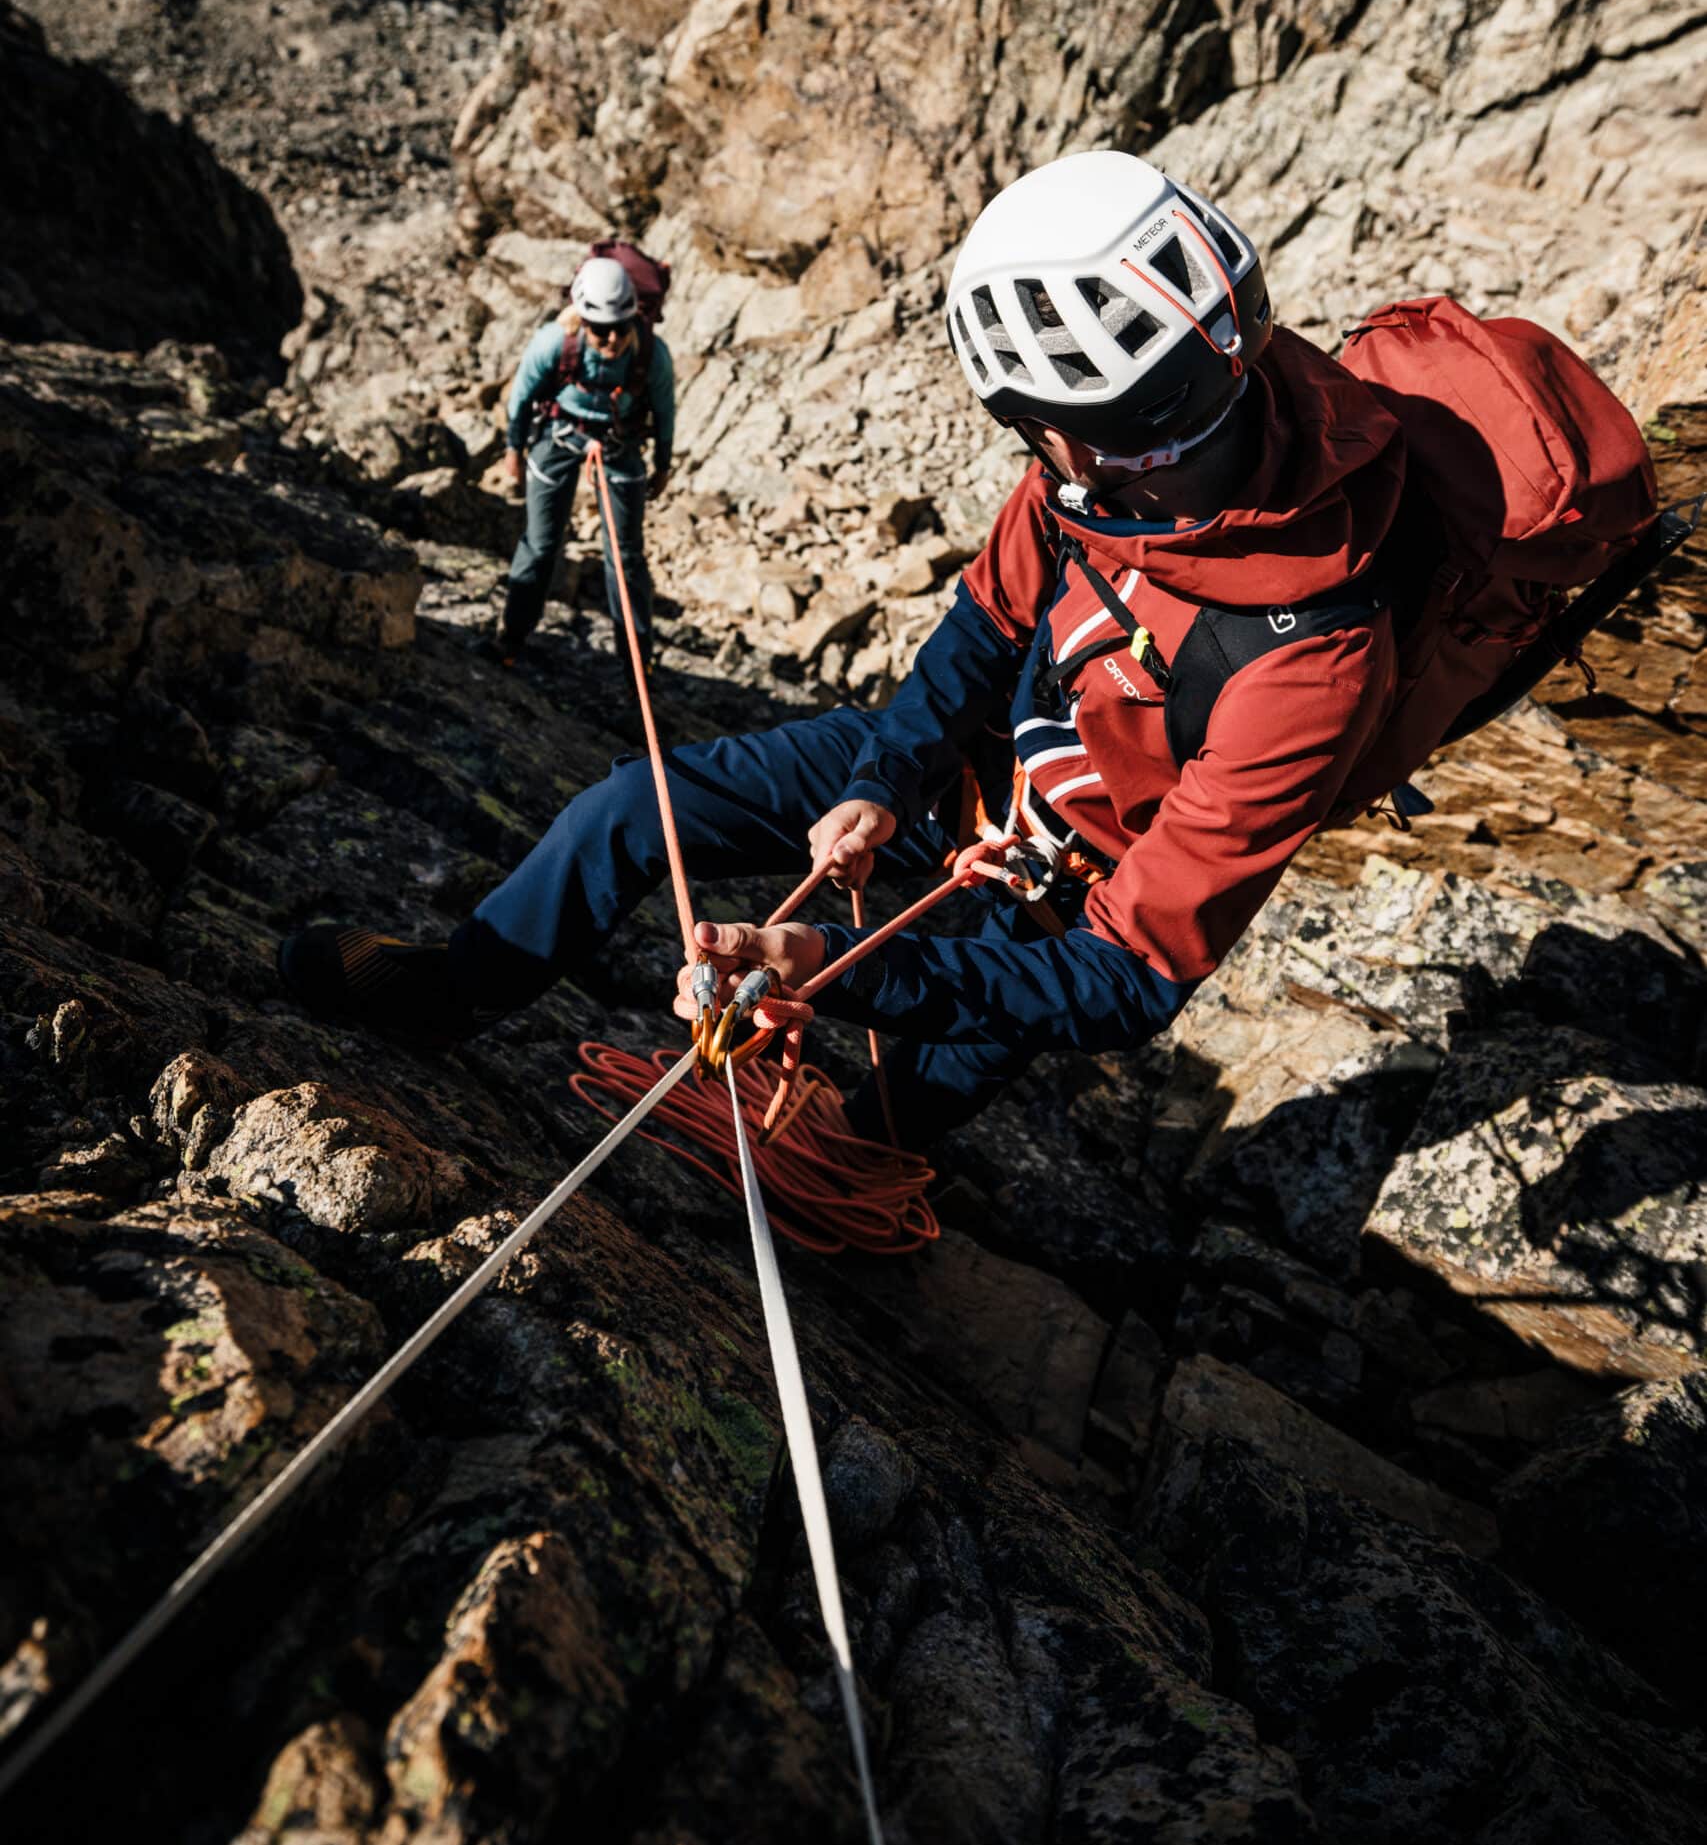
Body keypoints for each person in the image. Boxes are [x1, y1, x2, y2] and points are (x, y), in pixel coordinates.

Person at [281, 150, 1405, 1151]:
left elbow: (1127, 974)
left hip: (1083, 874)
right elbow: (988, 625)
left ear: (1081, 422)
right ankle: (457, 984)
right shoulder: (1115, 451)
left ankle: (854, 1160)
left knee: (913, 1093)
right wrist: (881, 780)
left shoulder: (1310, 664)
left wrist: (834, 966)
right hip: (966, 766)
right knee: (636, 808)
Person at [489, 256, 675, 667]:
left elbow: (664, 409)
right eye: (601, 331)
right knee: (541, 545)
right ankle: (511, 637)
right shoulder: (553, 342)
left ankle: (637, 661)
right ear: (583, 320)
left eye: (620, 328)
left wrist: (663, 463)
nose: (611, 340)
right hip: (558, 437)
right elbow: (520, 397)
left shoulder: (651, 354)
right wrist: (513, 448)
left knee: (625, 557)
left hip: (618, 443)